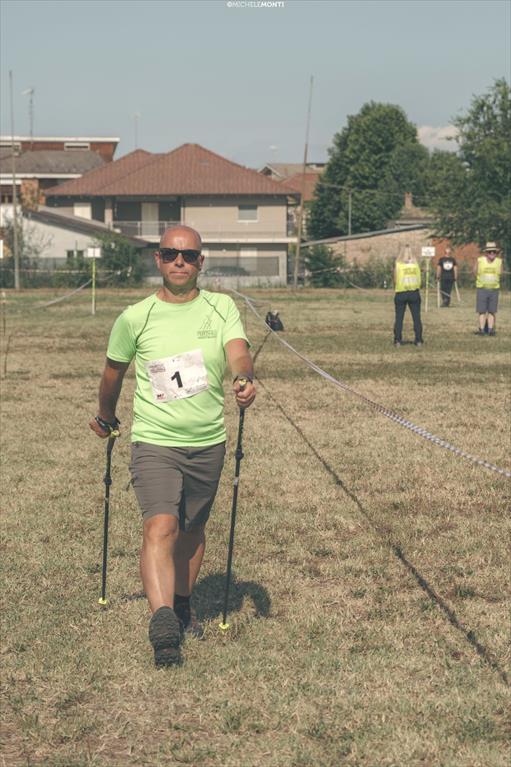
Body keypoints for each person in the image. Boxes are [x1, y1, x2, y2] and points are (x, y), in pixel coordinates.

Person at [90, 225, 256, 668]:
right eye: (170, 254)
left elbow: (238, 352)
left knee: (191, 529)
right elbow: (112, 374)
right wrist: (106, 416)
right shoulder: (135, 317)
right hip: (155, 440)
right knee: (160, 527)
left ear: (201, 262)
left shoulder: (221, 307)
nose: (179, 261)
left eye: (188, 255)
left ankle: (182, 603)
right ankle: (163, 624)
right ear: (158, 260)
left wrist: (244, 376)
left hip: (207, 441)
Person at [393, 245, 423, 347]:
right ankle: (418, 340)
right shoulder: (416, 265)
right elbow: (419, 279)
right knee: (416, 317)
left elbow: (395, 280)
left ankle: (397, 340)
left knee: (399, 318)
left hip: (401, 292)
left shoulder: (398, 265)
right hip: (414, 293)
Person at [473, 242, 503, 336]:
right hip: (482, 289)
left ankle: (490, 330)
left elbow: (500, 273)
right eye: (490, 252)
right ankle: (482, 330)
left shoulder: (499, 261)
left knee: (492, 311)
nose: (492, 253)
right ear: (486, 253)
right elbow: (474, 271)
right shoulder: (480, 260)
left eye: (494, 251)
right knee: (481, 311)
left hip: (494, 289)